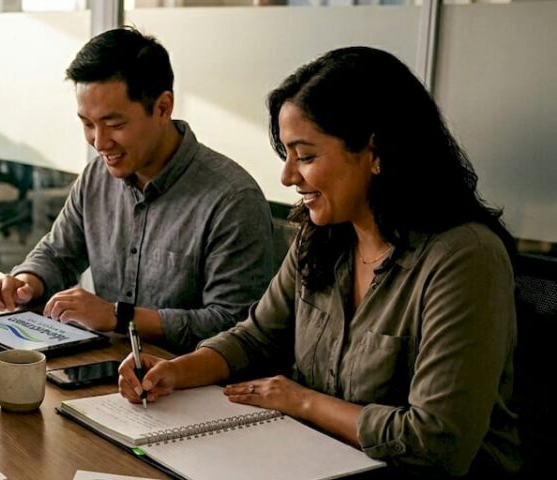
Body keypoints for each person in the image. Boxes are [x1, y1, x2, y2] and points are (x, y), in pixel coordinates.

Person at [119, 46, 521, 477]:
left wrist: (302, 401)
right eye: (287, 155)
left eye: (306, 156)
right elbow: (256, 337)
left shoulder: (465, 258)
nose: (288, 176)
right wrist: (176, 371)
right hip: (315, 461)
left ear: (375, 151)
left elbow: (436, 441)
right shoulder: (322, 236)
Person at [0, 27, 276, 353]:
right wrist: (25, 283)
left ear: (163, 108)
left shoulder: (232, 199)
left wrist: (121, 317)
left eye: (115, 125)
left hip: (187, 377)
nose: (99, 142)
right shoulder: (96, 177)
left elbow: (234, 325)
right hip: (107, 364)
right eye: (87, 124)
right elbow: (57, 255)